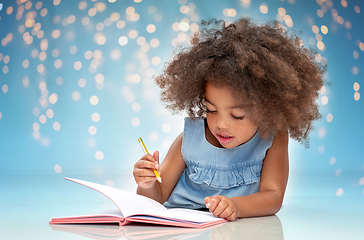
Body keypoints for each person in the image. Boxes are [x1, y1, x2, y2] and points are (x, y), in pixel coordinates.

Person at [133, 18, 325, 221]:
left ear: (267, 109)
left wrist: (236, 206)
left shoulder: (272, 137)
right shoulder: (189, 141)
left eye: (237, 115)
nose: (221, 124)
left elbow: (274, 197)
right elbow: (157, 196)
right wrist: (148, 184)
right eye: (211, 110)